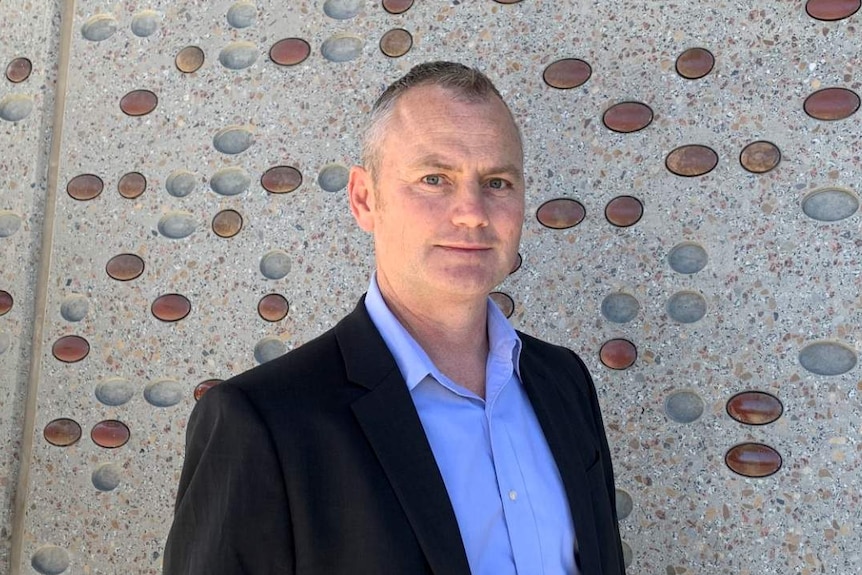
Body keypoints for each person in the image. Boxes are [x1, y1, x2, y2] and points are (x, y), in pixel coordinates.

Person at [163, 61, 625, 575]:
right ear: (365, 199)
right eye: (434, 179)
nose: (472, 211)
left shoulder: (564, 381)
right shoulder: (262, 421)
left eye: (497, 182)